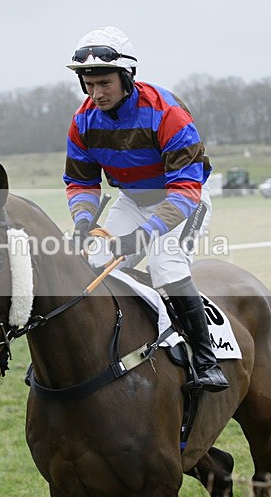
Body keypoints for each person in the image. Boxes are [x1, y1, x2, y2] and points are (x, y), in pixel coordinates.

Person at [62, 26, 228, 392]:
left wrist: (144, 235)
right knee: (94, 263)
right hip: (132, 199)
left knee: (164, 264)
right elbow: (81, 182)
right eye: (88, 84)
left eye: (104, 83)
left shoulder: (167, 112)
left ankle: (206, 360)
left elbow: (186, 187)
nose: (96, 93)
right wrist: (84, 219)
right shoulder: (83, 121)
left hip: (182, 200)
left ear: (126, 76)